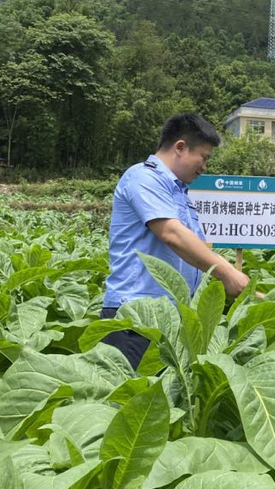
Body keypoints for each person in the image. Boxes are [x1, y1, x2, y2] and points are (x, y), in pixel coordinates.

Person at [101, 112, 249, 368]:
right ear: (180, 147)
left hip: (170, 317)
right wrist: (227, 273)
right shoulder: (142, 177)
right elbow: (172, 233)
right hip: (136, 317)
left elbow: (196, 251)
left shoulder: (180, 193)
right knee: (133, 402)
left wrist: (245, 290)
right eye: (203, 157)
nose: (204, 167)